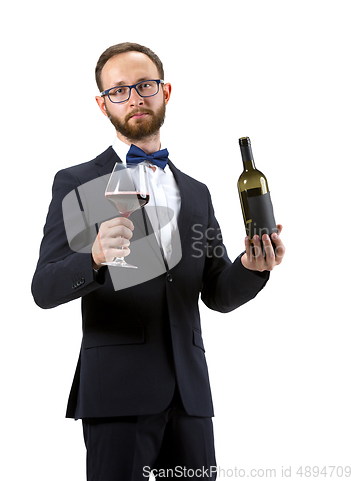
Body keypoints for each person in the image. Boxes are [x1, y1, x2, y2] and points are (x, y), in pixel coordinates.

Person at [32, 42, 285, 480]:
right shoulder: (77, 182)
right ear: (102, 103)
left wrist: (252, 267)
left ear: (166, 91)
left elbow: (217, 291)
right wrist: (93, 257)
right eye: (119, 90)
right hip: (116, 396)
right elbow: (44, 288)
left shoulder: (197, 191)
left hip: (190, 400)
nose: (134, 98)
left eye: (145, 85)